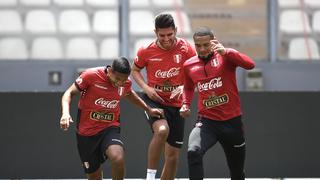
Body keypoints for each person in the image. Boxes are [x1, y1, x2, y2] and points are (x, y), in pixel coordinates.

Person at [59, 57, 163, 180]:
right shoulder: (90, 76)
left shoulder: (125, 83)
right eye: (117, 79)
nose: (120, 83)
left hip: (110, 128)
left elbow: (129, 94)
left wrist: (148, 109)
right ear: (110, 71)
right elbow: (69, 93)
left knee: (117, 157)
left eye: (124, 80)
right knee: (94, 177)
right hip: (86, 133)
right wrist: (65, 113)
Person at [179, 27, 256, 180]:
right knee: (193, 151)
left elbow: (250, 65)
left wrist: (227, 52)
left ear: (214, 41)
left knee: (237, 172)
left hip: (232, 123)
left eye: (206, 45)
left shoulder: (226, 56)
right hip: (207, 122)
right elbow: (188, 87)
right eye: (198, 45)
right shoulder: (188, 65)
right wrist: (185, 104)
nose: (201, 49)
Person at [131, 13, 196, 180]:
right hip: (154, 100)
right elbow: (135, 70)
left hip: (177, 104)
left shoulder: (186, 48)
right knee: (162, 131)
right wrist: (146, 88)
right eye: (162, 35)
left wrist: (183, 87)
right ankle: (150, 177)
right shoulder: (146, 50)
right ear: (155, 32)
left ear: (175, 30)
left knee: (173, 157)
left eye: (169, 34)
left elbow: (196, 73)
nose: (166, 39)